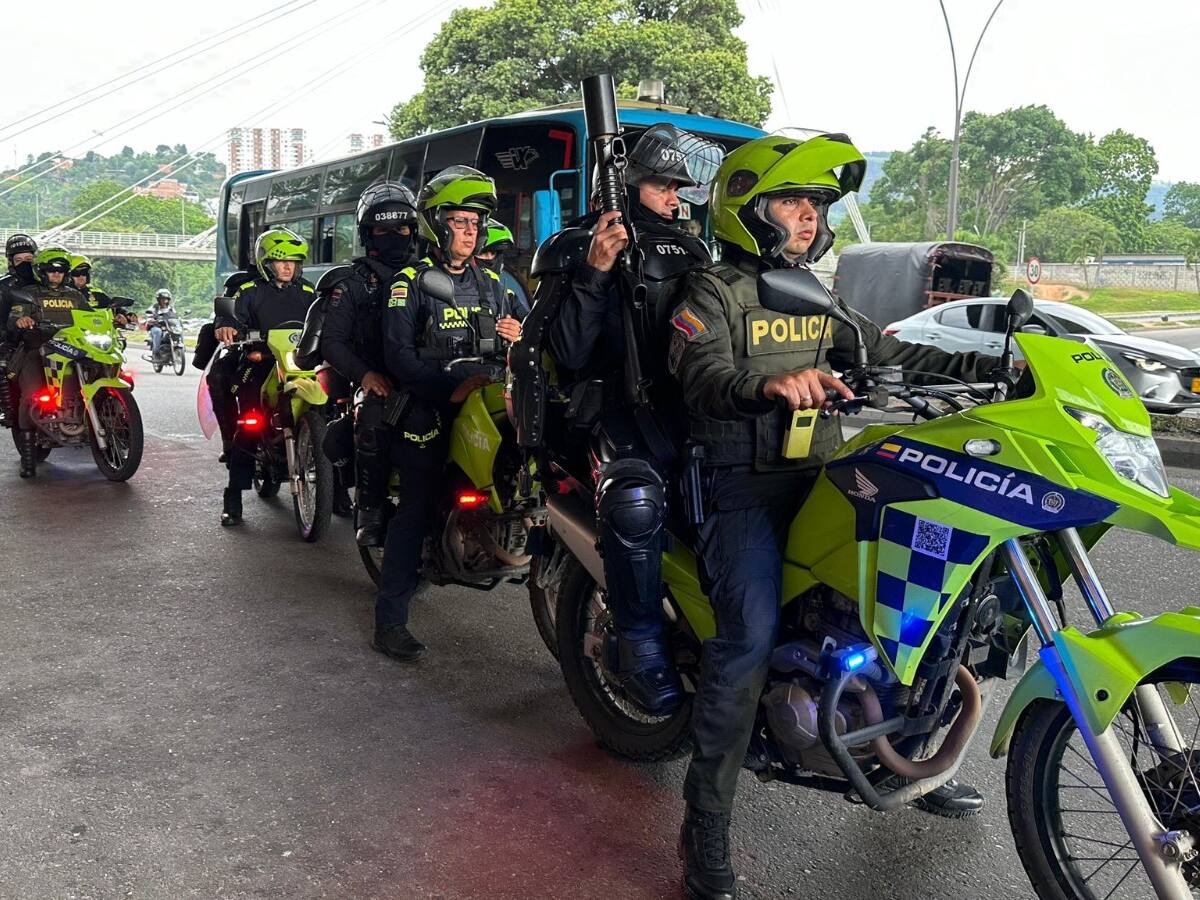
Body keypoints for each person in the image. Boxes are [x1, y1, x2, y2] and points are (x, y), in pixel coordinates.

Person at [667, 133, 1001, 900]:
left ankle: (907, 755)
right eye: (793, 201)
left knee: (902, 606)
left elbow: (883, 353)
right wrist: (770, 388)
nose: (809, 218)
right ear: (749, 208)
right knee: (745, 644)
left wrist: (996, 360)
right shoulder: (712, 291)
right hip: (739, 484)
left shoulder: (813, 290)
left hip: (819, 470)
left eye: (816, 205)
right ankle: (705, 821)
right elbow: (703, 370)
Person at [541, 123, 720, 715]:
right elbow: (567, 352)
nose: (675, 197)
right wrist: (596, 270)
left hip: (689, 411)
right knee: (634, 500)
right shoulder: (577, 249)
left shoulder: (695, 251)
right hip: (617, 414)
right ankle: (638, 644)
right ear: (627, 185)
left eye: (679, 187)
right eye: (664, 185)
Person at [375, 165, 523, 662]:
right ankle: (390, 622)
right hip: (428, 405)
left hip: (485, 402)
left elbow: (520, 341)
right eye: (459, 221)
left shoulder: (492, 284)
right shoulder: (409, 283)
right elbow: (398, 356)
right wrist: (449, 387)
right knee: (415, 509)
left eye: (474, 223)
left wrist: (516, 340)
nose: (469, 231)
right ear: (437, 225)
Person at [316, 179, 422, 547]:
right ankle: (371, 510)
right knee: (372, 423)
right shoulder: (354, 283)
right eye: (383, 229)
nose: (394, 235)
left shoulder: (430, 274)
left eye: (402, 227)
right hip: (381, 382)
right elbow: (332, 341)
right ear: (368, 234)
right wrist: (365, 375)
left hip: (428, 375)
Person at [212, 228, 315, 525]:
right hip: (260, 362)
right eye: (281, 262)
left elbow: (328, 319)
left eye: (294, 262)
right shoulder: (247, 291)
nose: (288, 267)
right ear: (264, 263)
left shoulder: (309, 292)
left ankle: (339, 494)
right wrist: (226, 325)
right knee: (249, 425)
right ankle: (233, 498)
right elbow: (228, 314)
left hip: (301, 365)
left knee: (331, 418)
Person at [4, 246, 89, 477]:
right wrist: (21, 320)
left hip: (75, 349)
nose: (56, 275)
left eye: (60, 271)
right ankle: (28, 458)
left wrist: (114, 317)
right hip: (36, 350)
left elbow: (93, 317)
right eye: (51, 270)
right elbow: (14, 319)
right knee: (31, 394)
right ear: (42, 271)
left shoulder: (76, 295)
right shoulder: (30, 293)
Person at [0, 234, 39, 427]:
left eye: (28, 260)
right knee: (2, 361)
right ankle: (8, 410)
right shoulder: (4, 285)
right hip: (12, 337)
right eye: (19, 260)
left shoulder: (47, 282)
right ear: (11, 262)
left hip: (47, 335)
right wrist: (12, 328)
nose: (24, 264)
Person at [475, 221, 530, 318]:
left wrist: (516, 329)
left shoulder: (506, 295)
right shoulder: (450, 289)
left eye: (493, 253)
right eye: (482, 253)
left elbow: (528, 325)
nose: (489, 258)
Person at [68, 255, 134, 326]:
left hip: (97, 331)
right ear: (68, 275)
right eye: (76, 273)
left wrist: (124, 315)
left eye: (84, 272)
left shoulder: (96, 292)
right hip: (72, 332)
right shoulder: (61, 293)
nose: (81, 276)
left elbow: (112, 306)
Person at [145, 289, 176, 358]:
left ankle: (179, 347)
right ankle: (156, 352)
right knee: (158, 331)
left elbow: (175, 317)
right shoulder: (154, 308)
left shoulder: (171, 309)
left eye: (166, 299)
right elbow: (148, 315)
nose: (164, 301)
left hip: (168, 327)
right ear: (158, 299)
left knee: (177, 331)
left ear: (169, 300)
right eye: (162, 299)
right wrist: (151, 319)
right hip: (156, 326)